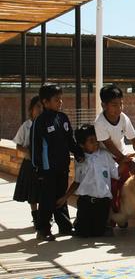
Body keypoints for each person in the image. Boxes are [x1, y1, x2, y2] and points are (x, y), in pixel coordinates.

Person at [30, 84, 84, 241]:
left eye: (61, 99)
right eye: (56, 100)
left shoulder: (63, 118)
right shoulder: (39, 122)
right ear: (45, 102)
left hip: (62, 167)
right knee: (47, 200)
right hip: (47, 170)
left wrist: (78, 152)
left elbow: (70, 140)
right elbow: (35, 147)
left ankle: (65, 226)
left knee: (61, 197)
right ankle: (43, 229)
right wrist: (37, 169)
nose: (60, 102)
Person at [94, 85, 135, 214]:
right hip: (107, 160)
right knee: (111, 190)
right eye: (114, 105)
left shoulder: (124, 118)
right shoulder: (99, 122)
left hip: (122, 156)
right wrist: (126, 161)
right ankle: (110, 220)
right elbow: (109, 145)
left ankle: (122, 216)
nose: (119, 108)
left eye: (121, 104)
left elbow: (134, 140)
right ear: (104, 105)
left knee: (125, 187)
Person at [56, 125, 118, 237]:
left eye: (96, 140)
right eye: (91, 141)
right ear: (82, 145)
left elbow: (116, 173)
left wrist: (126, 161)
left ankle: (102, 225)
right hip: (86, 202)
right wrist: (65, 197)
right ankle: (80, 223)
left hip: (102, 202)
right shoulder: (80, 160)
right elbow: (77, 181)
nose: (96, 143)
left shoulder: (105, 155)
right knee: (83, 233)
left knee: (98, 233)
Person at [12, 96, 42, 229]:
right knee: (32, 191)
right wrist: (29, 153)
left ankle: (44, 215)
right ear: (31, 110)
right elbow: (18, 145)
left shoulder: (46, 125)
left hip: (44, 164)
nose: (40, 110)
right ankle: (35, 216)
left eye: (42, 107)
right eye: (37, 107)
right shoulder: (27, 126)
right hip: (30, 164)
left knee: (43, 191)